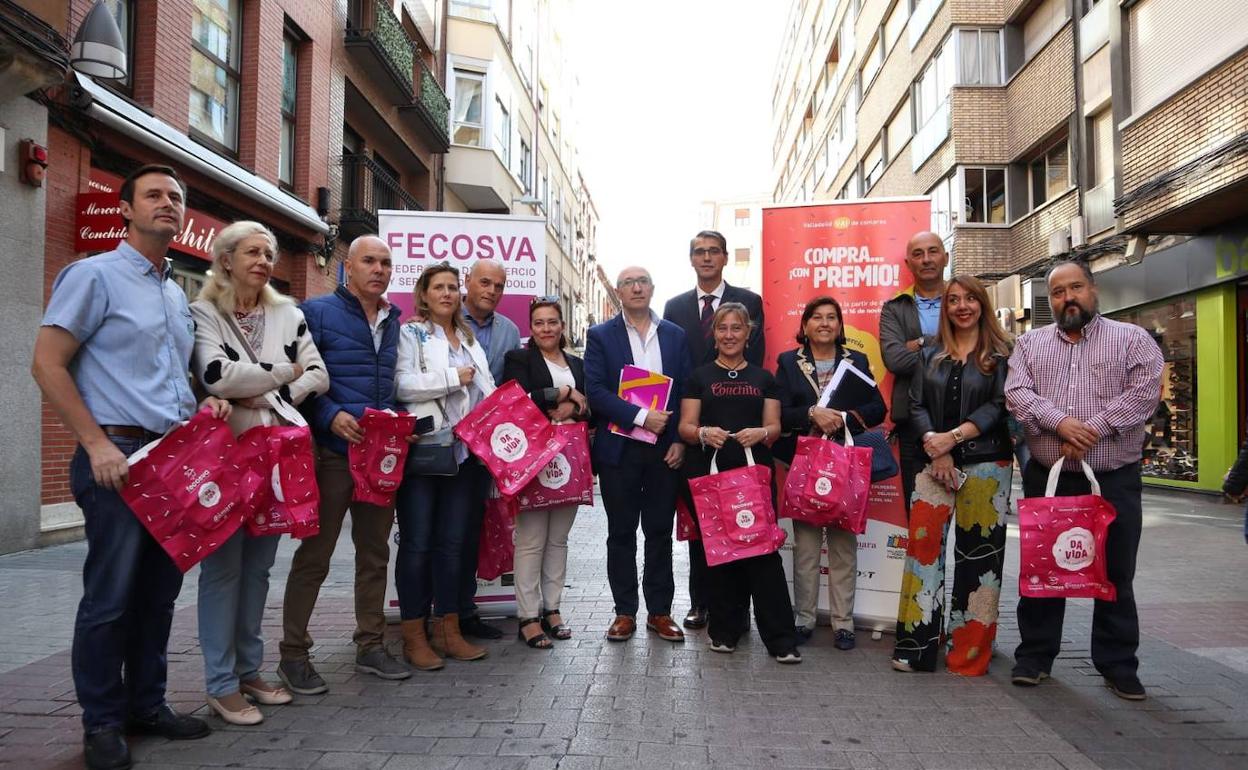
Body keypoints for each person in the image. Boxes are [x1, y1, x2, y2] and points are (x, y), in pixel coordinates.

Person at [31, 164, 223, 769]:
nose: (168, 203)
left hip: (171, 463)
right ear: (125, 209)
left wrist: (204, 399)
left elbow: (168, 377)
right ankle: (102, 723)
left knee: (157, 597)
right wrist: (94, 444)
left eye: (176, 197)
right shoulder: (94, 275)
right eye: (154, 195)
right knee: (109, 600)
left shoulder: (174, 291)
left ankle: (146, 704)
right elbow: (47, 363)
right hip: (117, 460)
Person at [187, 221, 328, 724]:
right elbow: (215, 376)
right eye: (253, 251)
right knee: (223, 569)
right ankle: (220, 684)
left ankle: (249, 670)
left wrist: (268, 388)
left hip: (276, 455)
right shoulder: (203, 312)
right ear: (226, 258)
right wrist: (283, 373)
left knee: (260, 567)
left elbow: (319, 373)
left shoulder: (287, 313)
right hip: (226, 454)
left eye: (269, 252)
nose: (265, 261)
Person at [1006, 259, 1163, 700]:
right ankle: (1034, 657)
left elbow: (1144, 395)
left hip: (1113, 479)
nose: (1067, 298)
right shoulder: (1030, 345)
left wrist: (1088, 429)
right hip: (1050, 479)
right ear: (1050, 300)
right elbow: (1018, 394)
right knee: (1043, 571)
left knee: (1116, 572)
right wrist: (1060, 424)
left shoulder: (1133, 340)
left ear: (1093, 290)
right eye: (1058, 292)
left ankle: (1117, 665)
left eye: (1075, 287)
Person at [278, 235, 411, 694]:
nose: (378, 269)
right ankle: (293, 654)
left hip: (379, 459)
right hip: (332, 456)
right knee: (314, 556)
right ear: (347, 267)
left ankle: (370, 646)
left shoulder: (394, 320)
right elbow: (298, 380)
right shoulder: (315, 313)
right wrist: (329, 414)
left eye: (386, 263)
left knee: (374, 556)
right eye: (369, 261)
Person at [890, 275, 1014, 676]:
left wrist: (953, 439)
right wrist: (935, 444)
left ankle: (968, 656)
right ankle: (916, 649)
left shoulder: (1001, 353)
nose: (962, 306)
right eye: (953, 300)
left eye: (970, 299)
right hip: (932, 464)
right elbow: (915, 403)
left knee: (979, 559)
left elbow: (999, 406)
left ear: (982, 304)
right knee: (922, 555)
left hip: (987, 464)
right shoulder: (930, 353)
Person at [678, 303, 801, 663]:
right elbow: (685, 428)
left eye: (737, 328)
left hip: (754, 478)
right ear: (713, 334)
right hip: (710, 475)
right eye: (722, 329)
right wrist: (703, 432)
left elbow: (775, 428)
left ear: (749, 334)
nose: (729, 335)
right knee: (720, 555)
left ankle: (781, 641)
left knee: (763, 555)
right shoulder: (699, 376)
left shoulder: (765, 378)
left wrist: (762, 432)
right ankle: (724, 632)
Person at [394, 263, 496, 670]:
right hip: (426, 452)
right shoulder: (411, 333)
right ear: (424, 293)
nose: (448, 293)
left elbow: (485, 388)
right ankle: (414, 634)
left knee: (455, 546)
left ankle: (449, 629)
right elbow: (402, 385)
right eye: (439, 287)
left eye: (453, 287)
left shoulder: (469, 337)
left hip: (466, 456)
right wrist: (455, 377)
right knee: (418, 544)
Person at [663, 230, 766, 630]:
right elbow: (672, 370)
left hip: (738, 431)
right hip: (695, 430)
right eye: (699, 252)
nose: (706, 258)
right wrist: (682, 431)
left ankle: (737, 606)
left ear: (725, 258)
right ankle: (700, 602)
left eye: (713, 251)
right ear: (691, 259)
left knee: (741, 517)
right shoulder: (674, 306)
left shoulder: (750, 301)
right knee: (698, 521)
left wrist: (744, 424)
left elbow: (754, 367)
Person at [584, 266, 692, 643]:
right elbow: (595, 391)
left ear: (652, 287)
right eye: (628, 282)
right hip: (620, 449)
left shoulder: (675, 336)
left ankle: (660, 612)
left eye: (643, 281)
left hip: (665, 452)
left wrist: (679, 438)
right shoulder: (600, 335)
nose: (636, 287)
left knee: (660, 532)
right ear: (618, 292)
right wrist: (643, 416)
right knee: (621, 533)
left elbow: (684, 394)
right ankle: (624, 612)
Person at [774, 296, 886, 650]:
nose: (824, 323)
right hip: (805, 465)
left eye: (832, 318)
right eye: (817, 317)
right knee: (805, 549)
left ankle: (843, 624)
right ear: (805, 325)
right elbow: (778, 413)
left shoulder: (858, 361)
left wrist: (843, 418)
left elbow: (877, 408)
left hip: (844, 465)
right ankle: (804, 619)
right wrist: (811, 413)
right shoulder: (789, 362)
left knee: (843, 548)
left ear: (840, 326)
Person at [502, 298, 589, 648]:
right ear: (531, 328)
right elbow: (516, 398)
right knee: (531, 540)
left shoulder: (578, 363)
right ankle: (527, 615)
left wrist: (574, 407)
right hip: (533, 459)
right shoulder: (518, 359)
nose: (546, 328)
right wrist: (565, 392)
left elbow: (590, 407)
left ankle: (552, 609)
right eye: (539, 323)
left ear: (563, 327)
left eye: (553, 322)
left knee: (558, 539)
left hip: (570, 459)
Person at [456, 259, 522, 640]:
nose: (492, 291)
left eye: (499, 285)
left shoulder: (510, 331)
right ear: (467, 281)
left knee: (474, 531)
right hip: (448, 444)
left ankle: (465, 613)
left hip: (489, 450)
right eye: (485, 282)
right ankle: (443, 613)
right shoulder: (447, 320)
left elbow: (511, 389)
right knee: (448, 534)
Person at [881, 232, 949, 512]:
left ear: (945, 257)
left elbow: (979, 354)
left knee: (975, 528)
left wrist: (918, 345)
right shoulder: (895, 308)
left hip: (966, 421)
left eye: (932, 252)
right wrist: (945, 346)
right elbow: (895, 359)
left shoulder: (964, 300)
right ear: (908, 263)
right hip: (914, 423)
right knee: (922, 522)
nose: (926, 259)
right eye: (918, 254)